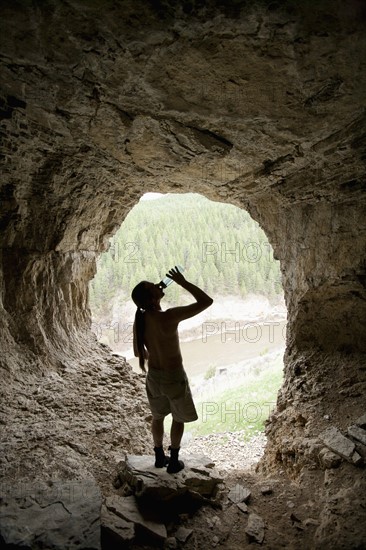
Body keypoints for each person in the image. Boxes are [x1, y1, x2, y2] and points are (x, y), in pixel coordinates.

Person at [131, 266, 213, 473]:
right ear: (151, 298)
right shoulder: (168, 316)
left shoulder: (141, 320)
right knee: (178, 418)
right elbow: (206, 301)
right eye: (153, 286)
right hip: (173, 377)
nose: (159, 284)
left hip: (153, 377)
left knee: (157, 417)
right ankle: (174, 460)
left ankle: (159, 456)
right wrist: (182, 282)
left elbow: (138, 352)